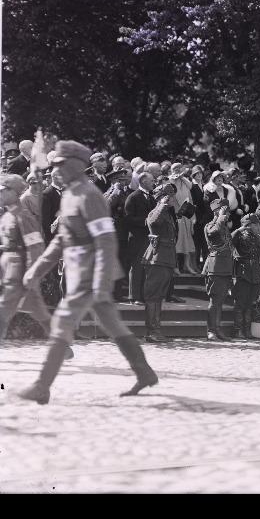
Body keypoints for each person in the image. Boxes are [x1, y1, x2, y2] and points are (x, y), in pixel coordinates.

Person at [18, 140, 158, 404]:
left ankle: (41, 386)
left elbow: (105, 240)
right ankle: (145, 373)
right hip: (79, 269)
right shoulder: (70, 194)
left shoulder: (89, 195)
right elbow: (61, 239)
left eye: (60, 164)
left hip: (91, 272)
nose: (55, 169)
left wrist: (101, 280)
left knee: (62, 324)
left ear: (75, 165)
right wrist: (37, 270)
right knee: (113, 325)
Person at [0, 174, 71, 357]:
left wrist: (32, 273)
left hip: (20, 272)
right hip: (9, 268)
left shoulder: (23, 216)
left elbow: (36, 246)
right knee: (40, 312)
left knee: (4, 309)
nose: (0, 194)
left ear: (15, 192)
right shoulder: (8, 215)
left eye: (4, 190)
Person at [141, 182, 179, 343]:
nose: (172, 199)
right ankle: (152, 331)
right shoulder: (157, 211)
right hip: (156, 258)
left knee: (158, 296)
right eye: (170, 196)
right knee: (153, 296)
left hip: (165, 258)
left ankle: (156, 329)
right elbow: (153, 223)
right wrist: (162, 204)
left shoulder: (167, 213)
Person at [202, 198, 233, 341]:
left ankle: (217, 328)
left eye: (227, 211)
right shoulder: (210, 225)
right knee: (214, 301)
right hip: (215, 267)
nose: (227, 214)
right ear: (216, 212)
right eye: (224, 211)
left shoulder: (224, 226)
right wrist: (220, 217)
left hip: (225, 266)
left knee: (220, 300)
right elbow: (213, 234)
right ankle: (211, 330)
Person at [230, 213, 260, 340]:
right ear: (248, 225)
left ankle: (247, 330)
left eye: (258, 224)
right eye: (255, 225)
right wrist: (239, 230)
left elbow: (259, 254)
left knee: (250, 303)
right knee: (240, 302)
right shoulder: (239, 236)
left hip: (255, 273)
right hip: (242, 272)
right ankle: (238, 330)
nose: (258, 227)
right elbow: (228, 241)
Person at [124, 172, 156, 303]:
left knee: (146, 267)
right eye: (151, 180)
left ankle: (143, 295)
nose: (154, 182)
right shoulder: (133, 197)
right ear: (143, 182)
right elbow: (128, 218)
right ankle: (134, 297)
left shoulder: (152, 197)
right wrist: (146, 221)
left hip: (149, 237)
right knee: (137, 267)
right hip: (137, 237)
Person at [105, 168, 133, 301]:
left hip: (126, 232)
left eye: (124, 180)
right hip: (114, 233)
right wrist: (115, 192)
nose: (123, 182)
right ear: (113, 181)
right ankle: (111, 293)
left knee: (123, 262)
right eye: (120, 180)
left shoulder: (128, 192)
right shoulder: (109, 193)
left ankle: (119, 293)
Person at [168, 163, 198, 274]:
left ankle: (187, 265)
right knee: (177, 242)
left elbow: (190, 194)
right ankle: (175, 266)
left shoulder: (185, 181)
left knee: (188, 242)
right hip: (176, 215)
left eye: (179, 169)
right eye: (174, 169)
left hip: (187, 215)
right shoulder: (170, 181)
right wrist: (174, 178)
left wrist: (182, 177)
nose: (177, 171)